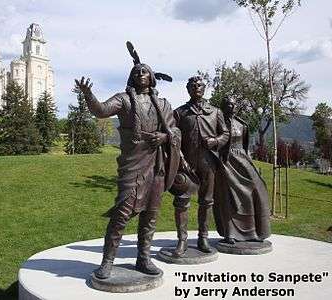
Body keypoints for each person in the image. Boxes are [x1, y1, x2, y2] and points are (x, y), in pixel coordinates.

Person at [75, 60, 180, 279]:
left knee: (151, 215)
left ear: (151, 77)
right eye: (137, 72)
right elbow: (101, 110)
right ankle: (107, 261)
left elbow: (175, 131)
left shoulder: (163, 104)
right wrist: (88, 95)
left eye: (145, 71)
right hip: (133, 164)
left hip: (157, 164)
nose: (141, 74)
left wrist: (165, 136)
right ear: (132, 77)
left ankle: (143, 258)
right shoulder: (123, 100)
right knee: (121, 214)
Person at [172, 76, 229, 255]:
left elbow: (225, 134)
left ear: (205, 88)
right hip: (186, 164)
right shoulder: (180, 113)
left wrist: (215, 141)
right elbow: (173, 136)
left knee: (206, 201)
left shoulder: (215, 112)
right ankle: (182, 240)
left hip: (208, 162)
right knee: (181, 201)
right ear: (188, 89)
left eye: (199, 85)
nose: (196, 87)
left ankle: (203, 237)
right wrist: (180, 157)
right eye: (192, 86)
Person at [213, 96, 271, 244]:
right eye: (227, 104)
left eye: (232, 104)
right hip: (224, 162)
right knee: (228, 198)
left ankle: (252, 232)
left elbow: (245, 146)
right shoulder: (216, 123)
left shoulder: (242, 124)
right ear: (222, 106)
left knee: (253, 191)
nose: (230, 107)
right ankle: (230, 233)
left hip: (242, 160)